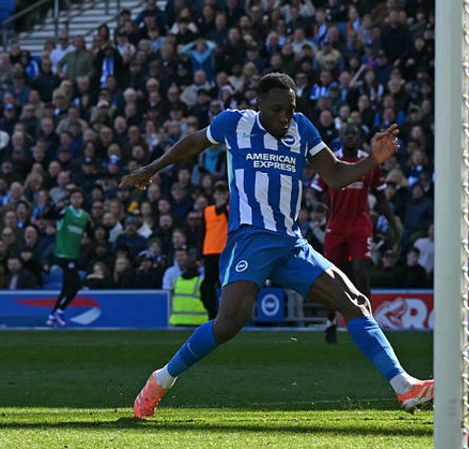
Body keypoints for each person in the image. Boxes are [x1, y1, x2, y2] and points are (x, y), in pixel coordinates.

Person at [121, 73, 433, 419]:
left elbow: (336, 177)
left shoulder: (302, 128)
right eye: (277, 109)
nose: (285, 116)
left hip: (291, 242)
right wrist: (151, 169)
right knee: (228, 325)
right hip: (251, 238)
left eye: (290, 109)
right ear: (259, 106)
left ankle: (403, 386)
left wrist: (374, 159)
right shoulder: (233, 123)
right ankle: (160, 381)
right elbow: (194, 142)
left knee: (355, 301)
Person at [311, 124, 400, 344]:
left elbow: (381, 198)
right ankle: (330, 322)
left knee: (361, 269)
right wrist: (318, 205)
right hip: (335, 226)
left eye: (354, 133)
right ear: (341, 137)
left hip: (360, 225)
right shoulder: (331, 161)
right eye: (346, 133)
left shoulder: (369, 162)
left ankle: (368, 321)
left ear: (359, 137)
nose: (350, 136)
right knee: (332, 276)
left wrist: (394, 226)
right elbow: (314, 191)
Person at [46, 189, 91, 327]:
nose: (77, 200)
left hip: (74, 255)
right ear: (70, 199)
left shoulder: (85, 216)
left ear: (82, 200)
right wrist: (55, 206)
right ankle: (61, 310)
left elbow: (90, 233)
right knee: (76, 284)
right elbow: (50, 216)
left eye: (79, 197)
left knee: (66, 288)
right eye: (74, 197)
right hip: (63, 255)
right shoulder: (65, 212)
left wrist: (86, 239)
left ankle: (52, 315)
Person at [199, 181, 228, 319]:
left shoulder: (230, 209)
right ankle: (212, 312)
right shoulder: (207, 211)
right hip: (210, 252)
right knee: (207, 286)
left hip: (225, 252)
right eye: (218, 193)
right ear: (214, 195)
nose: (221, 195)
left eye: (223, 193)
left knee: (225, 284)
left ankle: (226, 314)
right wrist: (200, 254)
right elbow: (203, 232)